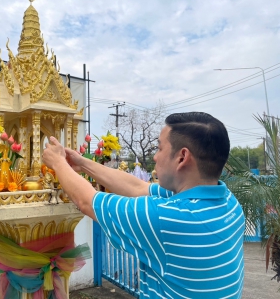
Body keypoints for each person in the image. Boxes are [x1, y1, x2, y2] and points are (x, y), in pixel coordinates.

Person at [42, 112, 244, 298]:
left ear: (182, 157)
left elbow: (87, 201)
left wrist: (58, 163)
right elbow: (138, 187)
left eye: (160, 148)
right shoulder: (229, 203)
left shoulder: (167, 220)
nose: (155, 156)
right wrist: (83, 163)